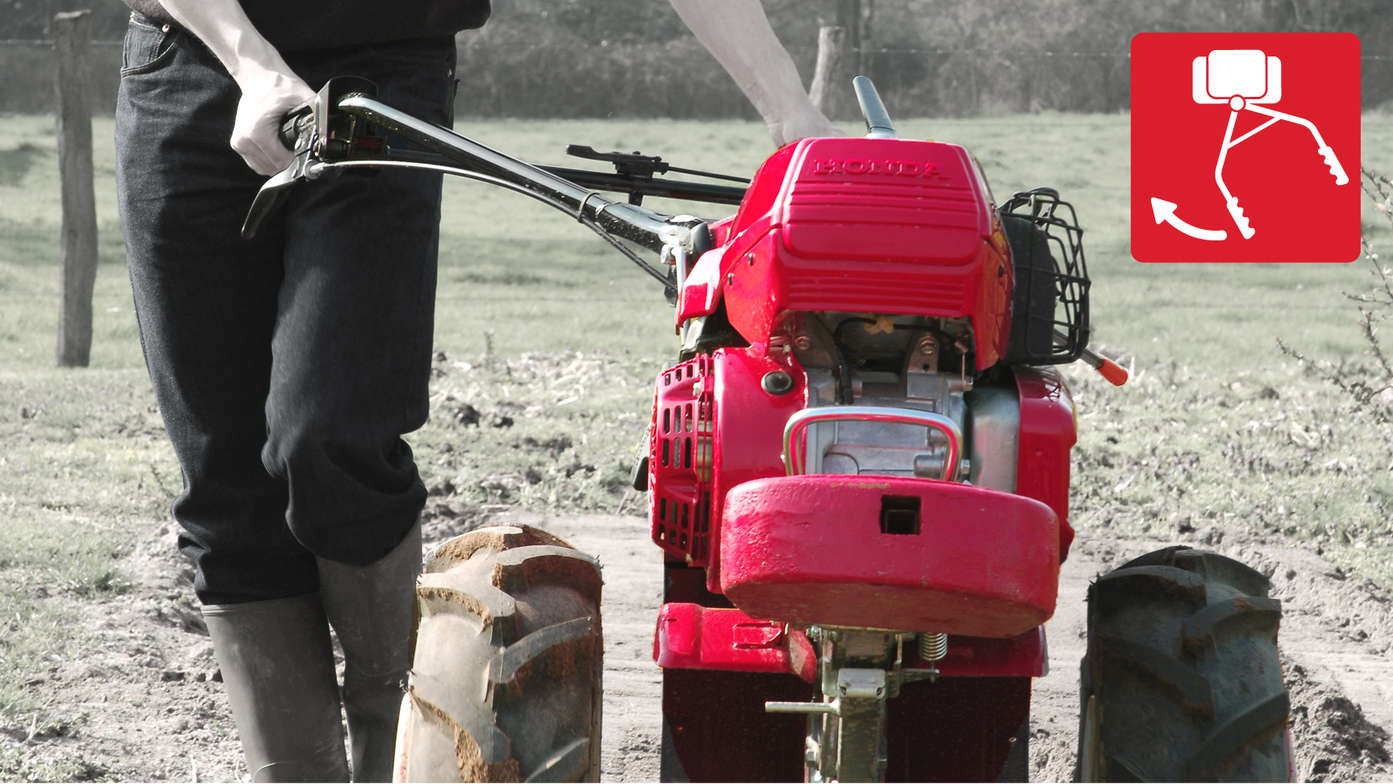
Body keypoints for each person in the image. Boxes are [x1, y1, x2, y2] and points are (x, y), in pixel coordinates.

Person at [114, 1, 836, 781]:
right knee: (225, 480)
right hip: (189, 62)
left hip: (378, 77)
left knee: (328, 432)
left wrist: (791, 111)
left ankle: (408, 751)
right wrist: (251, 65)